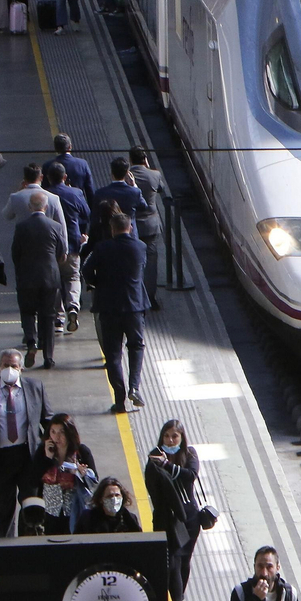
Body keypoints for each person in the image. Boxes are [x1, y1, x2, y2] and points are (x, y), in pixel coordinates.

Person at [0, 348, 51, 536]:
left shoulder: (36, 387)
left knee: (30, 500)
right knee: (4, 503)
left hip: (28, 456)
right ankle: (6, 542)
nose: (9, 369)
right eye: (5, 365)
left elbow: (48, 419)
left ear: (21, 369)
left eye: (13, 366)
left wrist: (57, 445)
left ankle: (29, 540)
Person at [81, 211, 148, 413]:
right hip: (134, 306)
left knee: (113, 354)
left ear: (112, 229)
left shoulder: (102, 248)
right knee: (136, 346)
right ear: (131, 227)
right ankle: (134, 387)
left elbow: (86, 269)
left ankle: (119, 399)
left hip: (108, 307)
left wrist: (96, 283)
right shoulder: (140, 247)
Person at [146, 420, 201, 601]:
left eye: (174, 436)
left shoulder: (190, 455)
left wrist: (167, 466)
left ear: (182, 438)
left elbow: (191, 475)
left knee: (184, 561)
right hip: (167, 520)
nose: (170, 440)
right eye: (167, 436)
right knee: (172, 563)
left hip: (189, 517)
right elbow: (152, 487)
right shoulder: (153, 457)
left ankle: (179, 598)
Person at [11, 190, 66, 368]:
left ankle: (31, 342)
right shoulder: (55, 226)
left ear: (29, 207)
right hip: (50, 277)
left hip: (27, 276)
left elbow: (15, 254)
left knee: (28, 312)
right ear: (46, 206)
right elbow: (61, 252)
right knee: (48, 316)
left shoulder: (21, 227)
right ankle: (48, 357)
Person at [21, 412, 97, 534]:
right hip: (50, 512)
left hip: (74, 510)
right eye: (53, 432)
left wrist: (83, 474)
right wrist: (47, 459)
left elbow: (95, 482)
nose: (57, 437)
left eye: (62, 432)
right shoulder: (42, 452)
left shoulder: (82, 452)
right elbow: (32, 480)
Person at [45, 160, 89, 331]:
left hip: (51, 246)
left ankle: (59, 318)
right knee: (73, 277)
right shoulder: (76, 193)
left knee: (55, 281)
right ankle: (73, 306)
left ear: (48, 178)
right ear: (65, 177)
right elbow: (87, 214)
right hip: (72, 243)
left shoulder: (45, 195)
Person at [128, 149, 166, 306]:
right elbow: (161, 188)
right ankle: (151, 297)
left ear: (130, 160)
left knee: (133, 261)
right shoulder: (155, 174)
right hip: (151, 225)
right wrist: (149, 167)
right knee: (151, 261)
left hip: (132, 226)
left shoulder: (126, 175)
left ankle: (135, 296)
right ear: (144, 159)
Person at [3, 162, 66, 227]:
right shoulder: (54, 198)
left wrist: (18, 191)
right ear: (41, 177)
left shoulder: (15, 197)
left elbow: (6, 215)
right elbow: (62, 226)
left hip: (23, 235)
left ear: (24, 179)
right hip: (47, 235)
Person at [91, 155, 143, 225]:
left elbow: (95, 218)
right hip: (130, 232)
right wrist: (134, 186)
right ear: (127, 173)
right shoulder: (135, 192)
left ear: (112, 173)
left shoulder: (100, 193)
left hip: (109, 233)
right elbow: (143, 207)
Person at [55, 132, 95, 197]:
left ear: (56, 148)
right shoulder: (82, 164)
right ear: (70, 146)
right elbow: (90, 189)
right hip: (77, 201)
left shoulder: (48, 165)